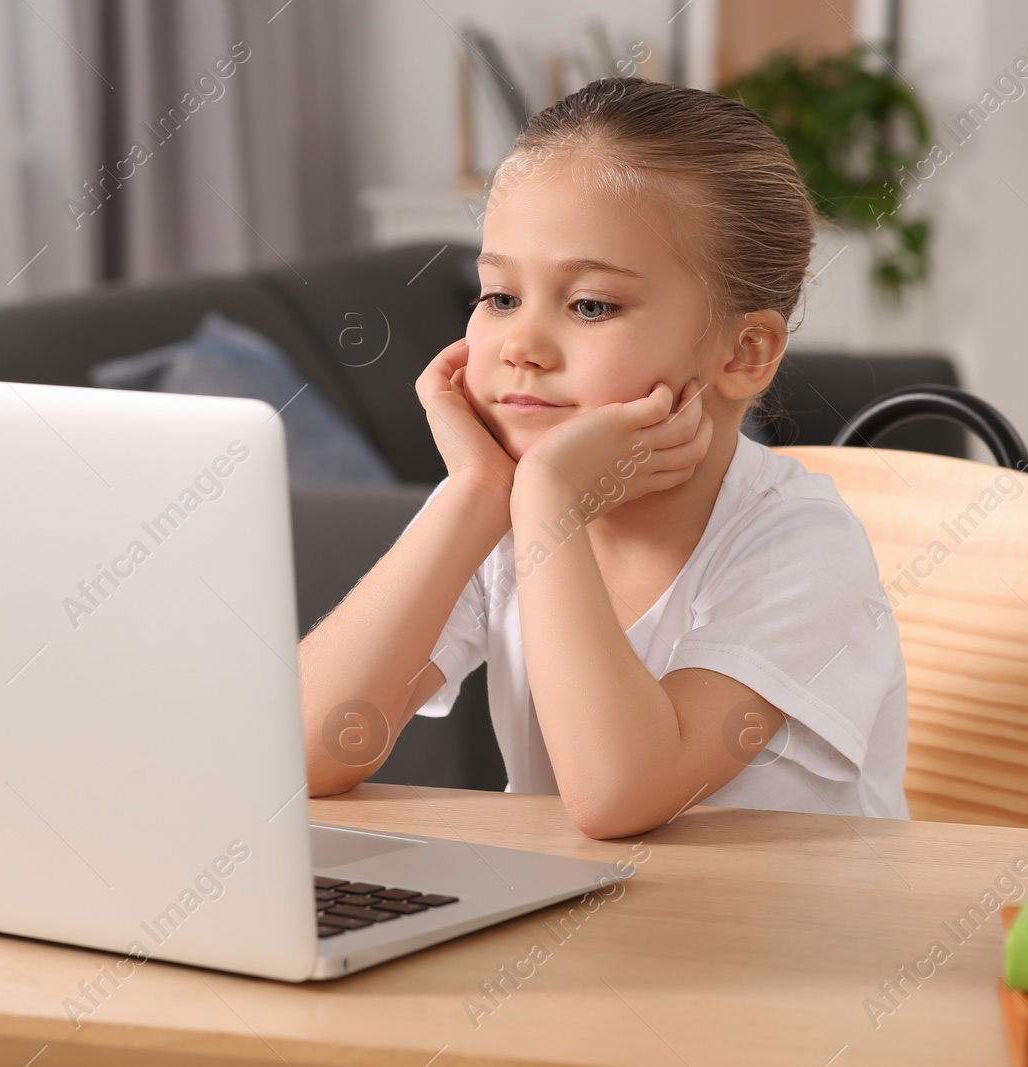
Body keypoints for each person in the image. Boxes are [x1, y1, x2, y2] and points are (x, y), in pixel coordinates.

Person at [299, 77, 907, 838]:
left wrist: (549, 498)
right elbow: (303, 752)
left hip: (775, 948)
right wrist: (476, 495)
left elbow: (620, 795)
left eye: (590, 305)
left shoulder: (802, 547)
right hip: (581, 940)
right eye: (499, 297)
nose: (521, 346)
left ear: (745, 351)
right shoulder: (497, 509)